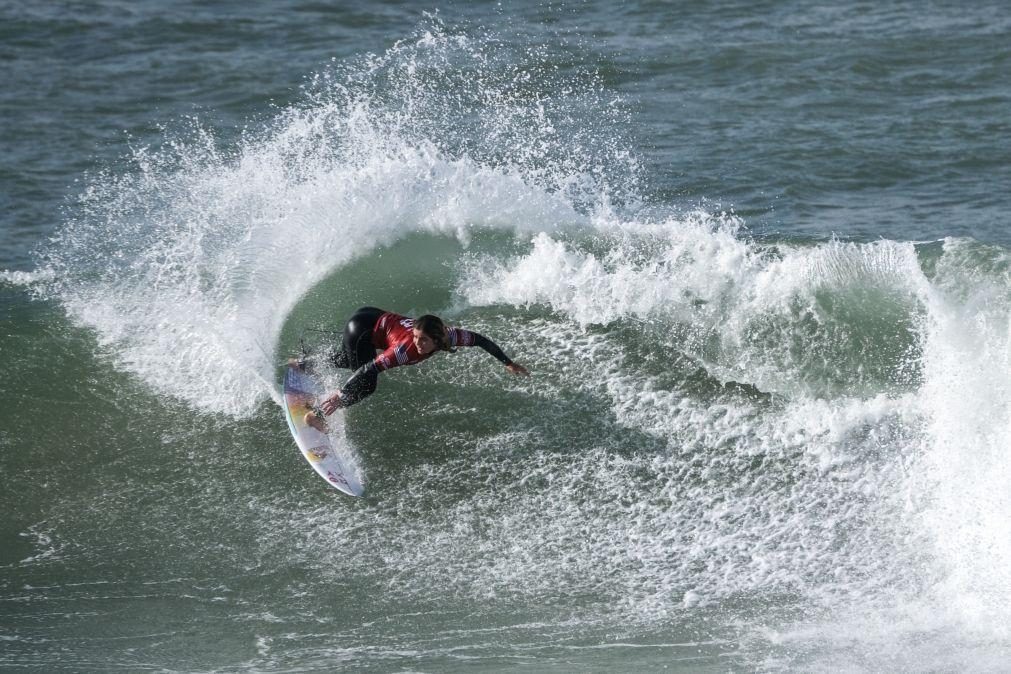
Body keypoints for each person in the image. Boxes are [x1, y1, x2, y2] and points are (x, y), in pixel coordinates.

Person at [299, 307, 529, 430]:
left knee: (350, 358)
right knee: (367, 386)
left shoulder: (452, 336)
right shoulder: (404, 351)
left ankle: (303, 364)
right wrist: (341, 395)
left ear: (438, 339)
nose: (419, 344)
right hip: (363, 327)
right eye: (417, 337)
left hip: (370, 317)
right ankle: (316, 415)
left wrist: (508, 363)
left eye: (424, 340)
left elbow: (480, 340)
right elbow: (369, 369)